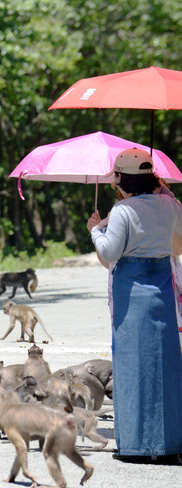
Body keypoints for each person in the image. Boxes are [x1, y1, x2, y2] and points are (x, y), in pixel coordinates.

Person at [87, 148, 182, 463]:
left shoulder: (123, 210)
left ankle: (137, 446)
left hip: (132, 294)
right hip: (162, 290)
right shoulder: (171, 205)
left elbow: (111, 252)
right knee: (165, 365)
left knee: (132, 367)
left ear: (119, 179)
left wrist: (94, 231)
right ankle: (168, 444)